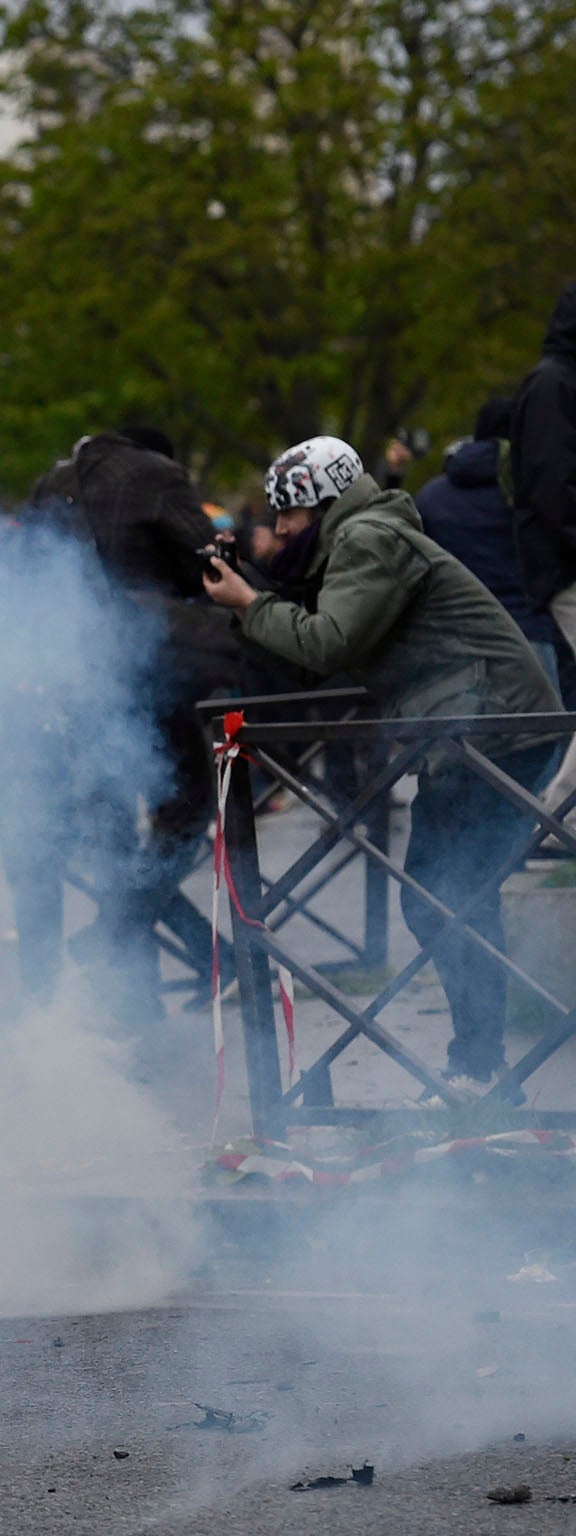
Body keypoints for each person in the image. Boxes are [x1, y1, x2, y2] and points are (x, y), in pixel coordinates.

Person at [204, 436, 561, 1096]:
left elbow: (328, 641)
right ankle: (481, 1065)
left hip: (493, 726)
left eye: (289, 513)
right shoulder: (367, 535)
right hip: (480, 724)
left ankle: (482, 1067)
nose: (279, 528)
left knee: (445, 896)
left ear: (322, 503)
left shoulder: (368, 539)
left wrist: (249, 605)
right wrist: (256, 595)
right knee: (446, 895)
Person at [40, 428, 236, 1021]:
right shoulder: (154, 474)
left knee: (113, 842)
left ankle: (134, 1000)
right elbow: (206, 563)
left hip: (79, 676)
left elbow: (29, 583)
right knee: (188, 812)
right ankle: (120, 936)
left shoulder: (49, 486)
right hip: (147, 666)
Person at [416, 399, 561, 687]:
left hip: (455, 646)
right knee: (543, 729)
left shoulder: (431, 497)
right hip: (529, 638)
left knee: (462, 732)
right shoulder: (538, 492)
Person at [512, 280, 576, 818]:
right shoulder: (555, 385)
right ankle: (556, 816)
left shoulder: (556, 382)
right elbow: (549, 485)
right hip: (566, 567)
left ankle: (556, 815)